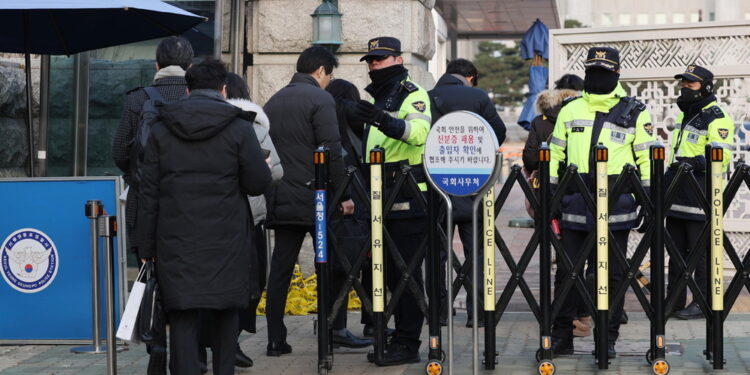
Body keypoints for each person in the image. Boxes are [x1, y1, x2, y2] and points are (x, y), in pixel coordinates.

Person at [137, 58, 272, 375]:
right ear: (223, 89)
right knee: (226, 313)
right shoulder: (240, 127)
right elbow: (257, 184)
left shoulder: (160, 129)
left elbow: (149, 193)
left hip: (176, 241)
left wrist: (145, 249)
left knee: (182, 314)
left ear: (187, 89)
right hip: (227, 240)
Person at [548, 47, 656, 358]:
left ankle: (606, 339)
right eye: (593, 70)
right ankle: (561, 337)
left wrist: (648, 201)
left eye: (604, 71)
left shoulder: (635, 111)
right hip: (575, 203)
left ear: (618, 73)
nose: (597, 76)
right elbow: (556, 153)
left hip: (616, 203)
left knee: (612, 275)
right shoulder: (570, 110)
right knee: (567, 273)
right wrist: (552, 197)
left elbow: (647, 157)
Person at [263, 46, 360, 357]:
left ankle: (275, 339)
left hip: (282, 197)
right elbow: (330, 148)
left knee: (280, 267)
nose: (329, 81)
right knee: (329, 265)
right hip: (317, 199)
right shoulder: (320, 99)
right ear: (320, 71)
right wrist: (343, 194)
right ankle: (331, 332)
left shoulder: (274, 100)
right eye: (329, 76)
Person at [346, 36, 431, 366]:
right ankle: (398, 333)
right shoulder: (379, 97)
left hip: (408, 196)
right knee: (390, 274)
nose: (373, 65)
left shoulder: (413, 95)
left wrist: (384, 120)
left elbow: (419, 134)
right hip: (380, 193)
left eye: (380, 59)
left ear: (398, 60)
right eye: (370, 60)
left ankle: (408, 343)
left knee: (407, 273)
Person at [111, 35, 194, 375]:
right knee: (187, 277)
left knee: (148, 275)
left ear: (156, 65)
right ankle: (189, 351)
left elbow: (119, 152)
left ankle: (155, 343)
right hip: (186, 206)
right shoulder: (196, 99)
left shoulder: (138, 100)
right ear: (189, 67)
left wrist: (137, 175)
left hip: (143, 204)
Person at [428, 58, 506, 327]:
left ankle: (440, 312)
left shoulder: (427, 97)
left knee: (438, 252)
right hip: (474, 185)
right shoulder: (478, 97)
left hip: (437, 186)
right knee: (477, 252)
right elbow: (499, 132)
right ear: (470, 77)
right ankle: (478, 313)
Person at [666, 65, 734, 320]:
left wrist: (695, 163)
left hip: (700, 195)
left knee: (702, 254)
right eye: (682, 83)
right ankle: (673, 301)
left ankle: (703, 301)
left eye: (690, 84)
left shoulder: (716, 117)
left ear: (705, 87)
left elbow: (722, 155)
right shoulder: (689, 116)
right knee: (675, 252)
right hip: (677, 195)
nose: (684, 87)